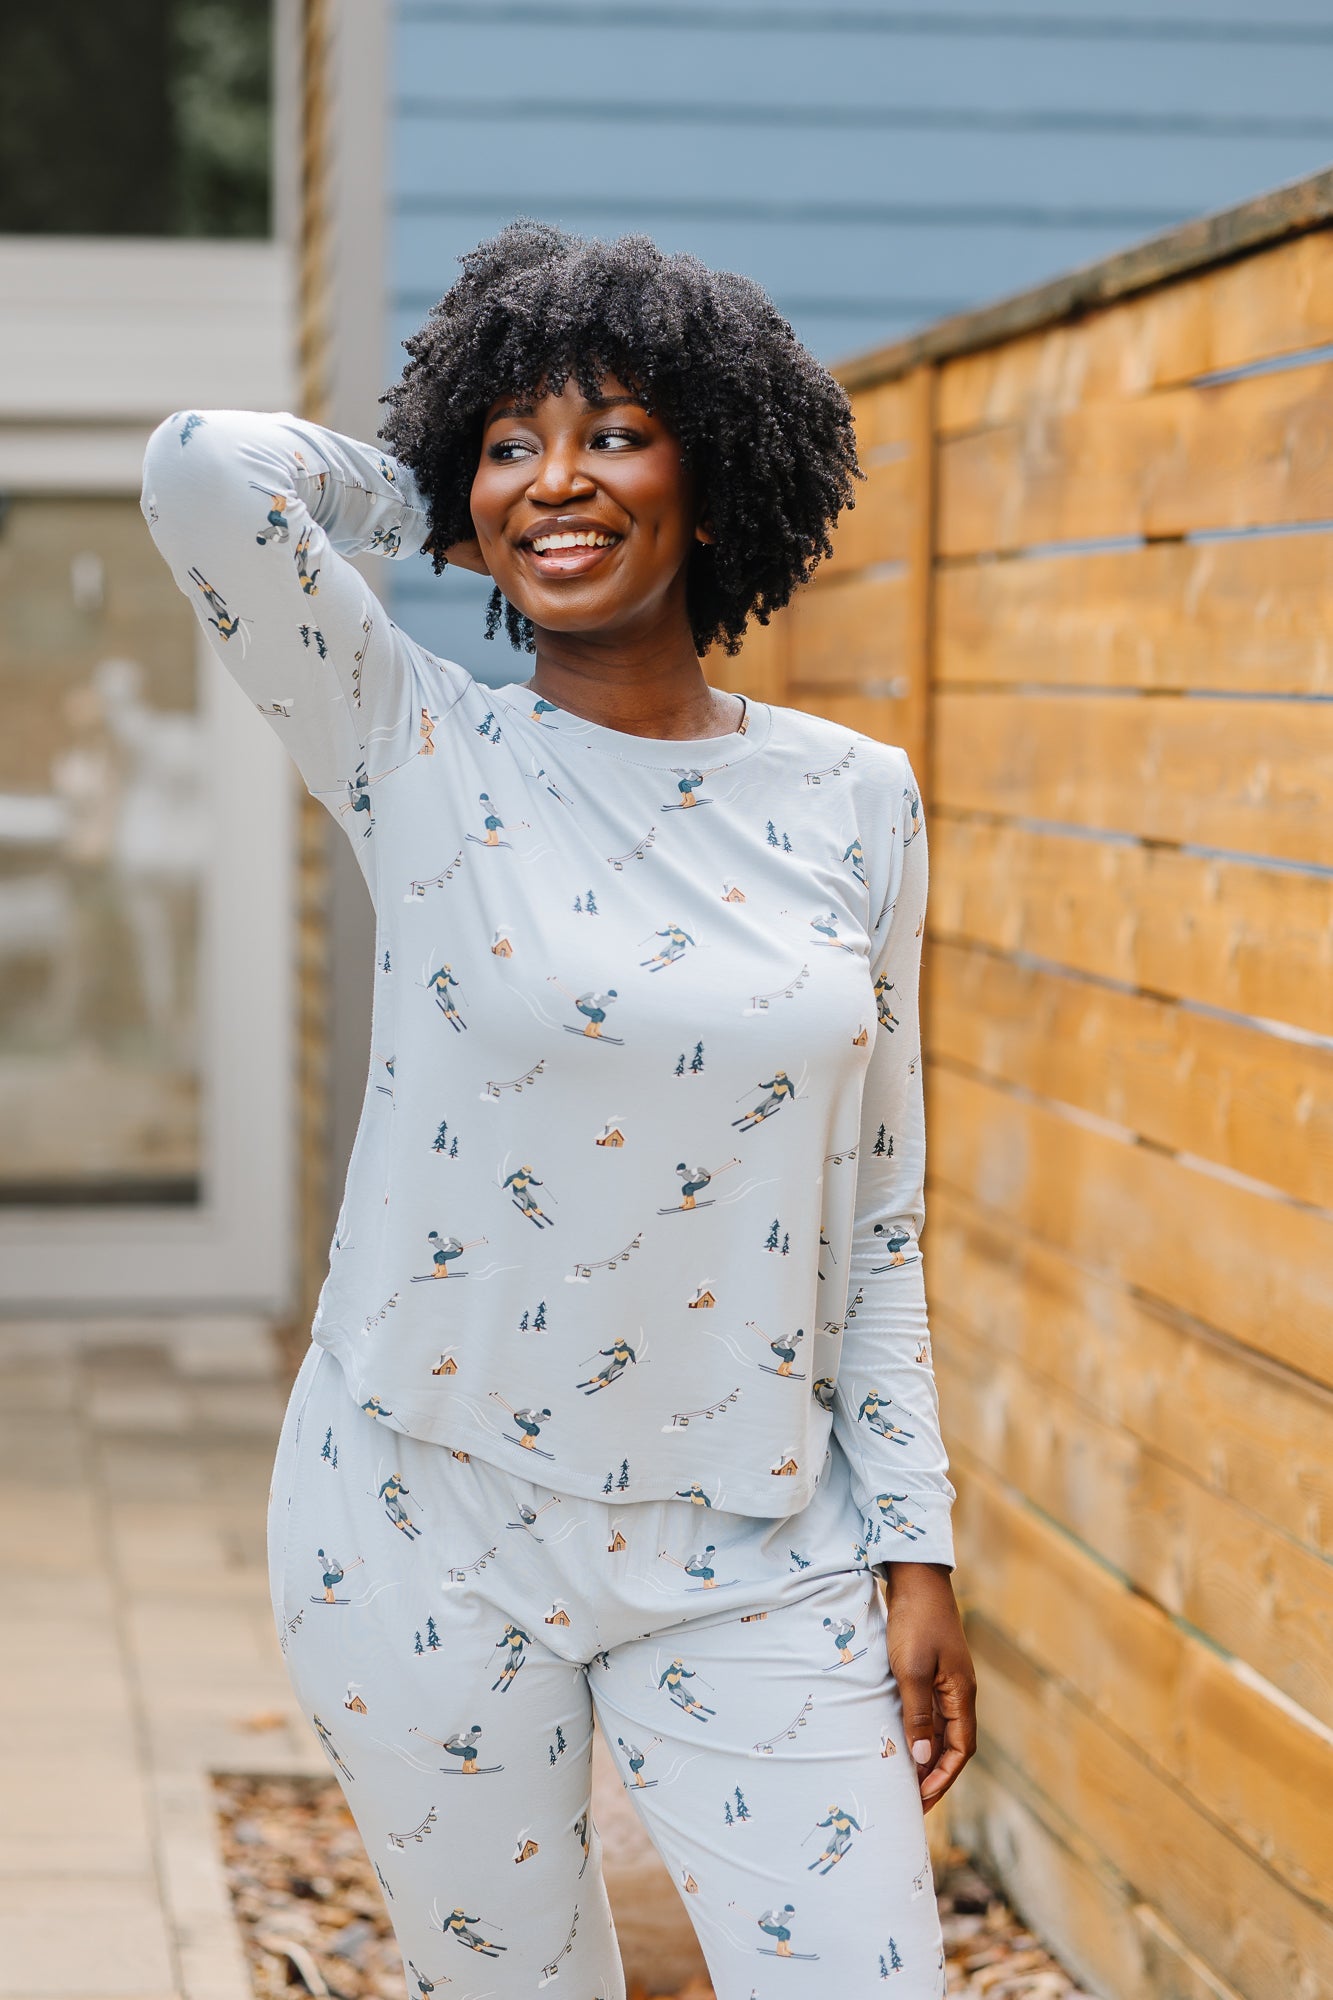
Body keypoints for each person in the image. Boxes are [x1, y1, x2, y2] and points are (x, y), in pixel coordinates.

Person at [140, 220, 975, 2000]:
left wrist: (915, 1537)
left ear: (718, 467)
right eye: (513, 440)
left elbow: (879, 1202)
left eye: (614, 432)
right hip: (418, 1510)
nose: (558, 480)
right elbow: (202, 472)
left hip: (748, 1535)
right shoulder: (418, 744)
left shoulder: (855, 801)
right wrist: (434, 492)